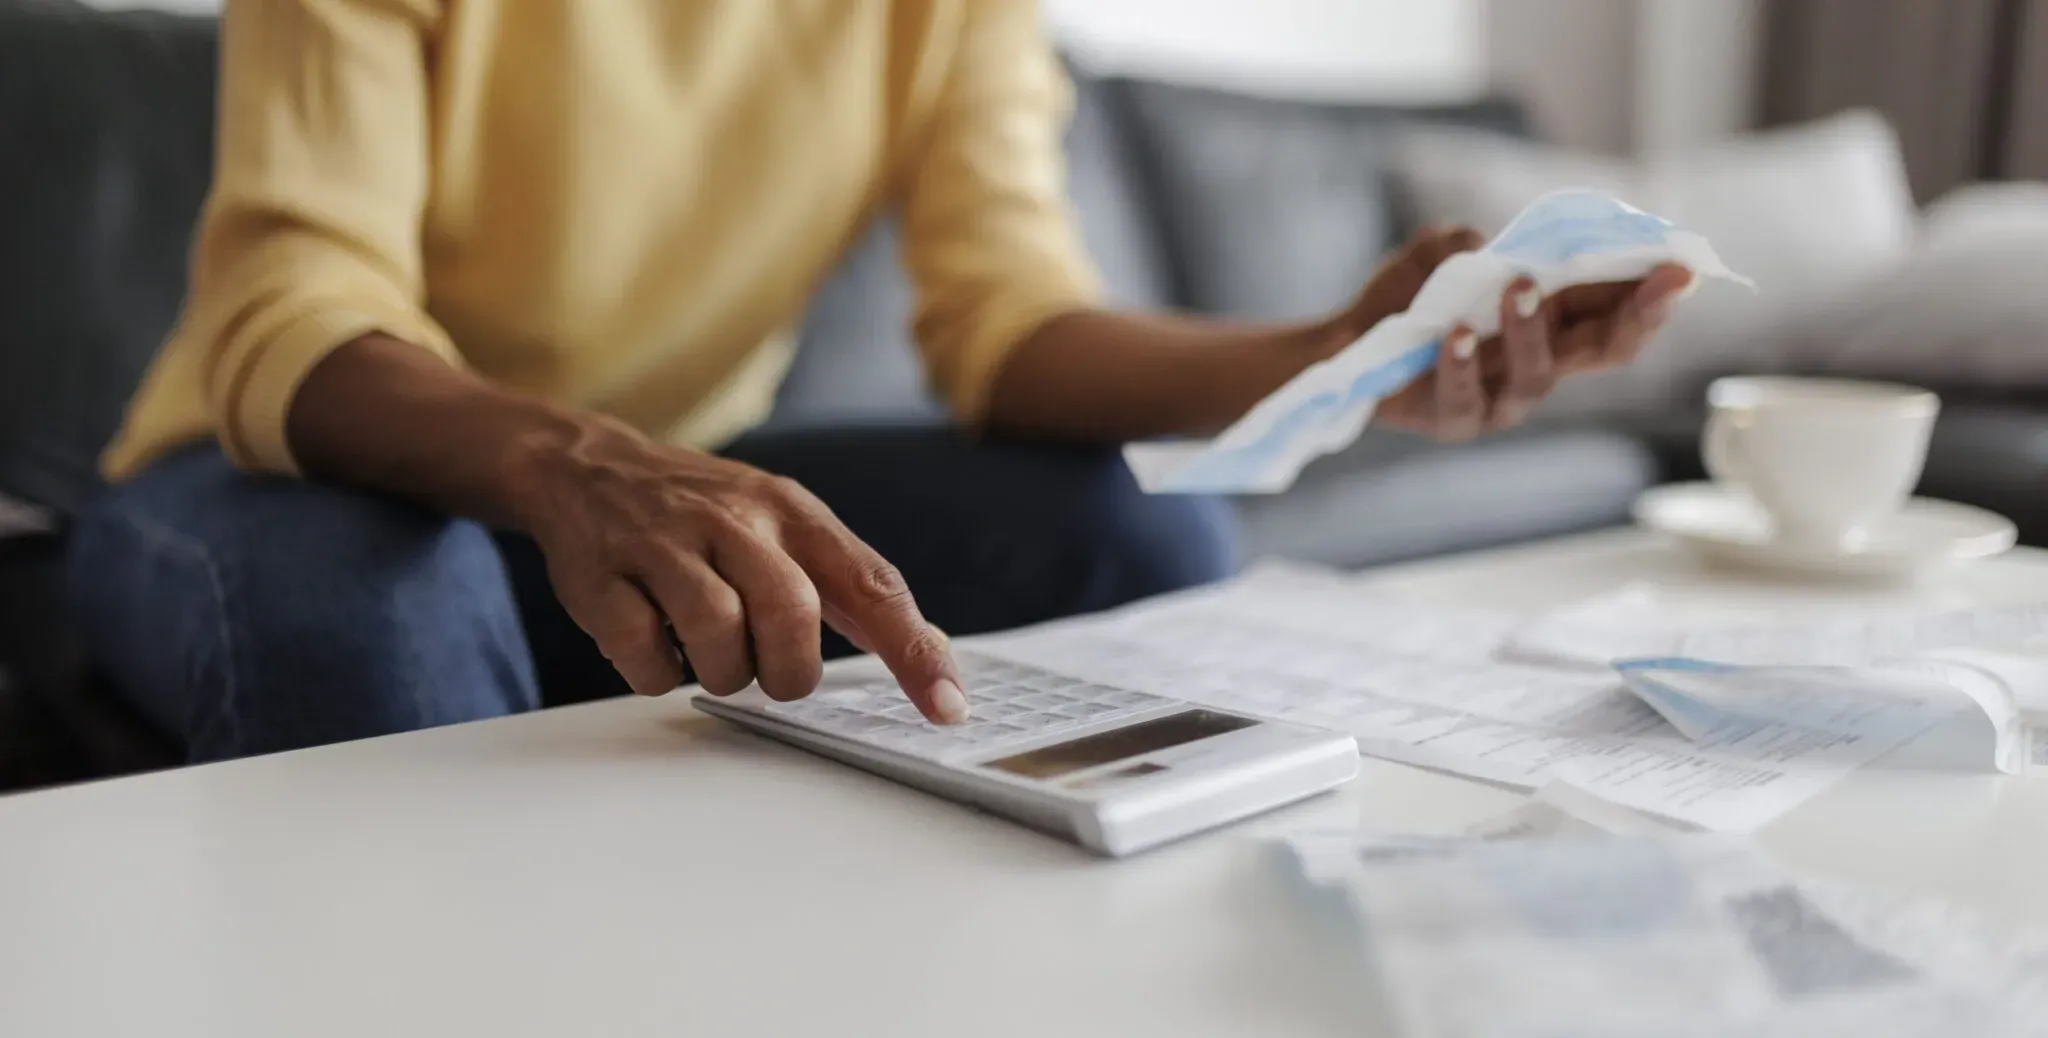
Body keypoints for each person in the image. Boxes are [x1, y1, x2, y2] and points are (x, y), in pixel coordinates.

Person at [68, 0, 1693, 764]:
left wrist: (1334, 356)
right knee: (376, 614)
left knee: (1140, 534)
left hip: (654, 480)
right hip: (286, 467)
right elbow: (293, 307)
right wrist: (574, 461)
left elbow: (1010, 324)